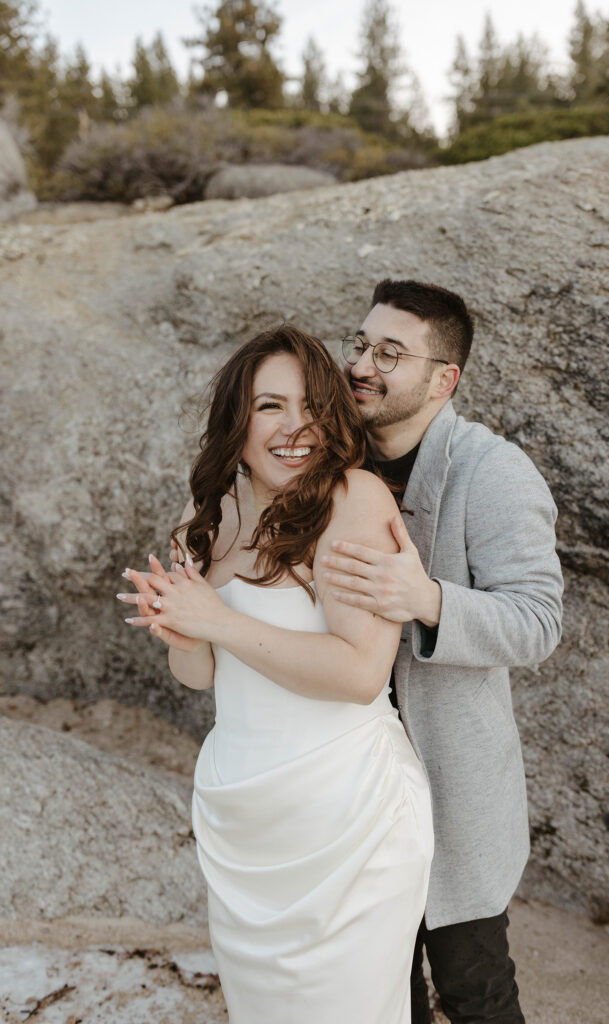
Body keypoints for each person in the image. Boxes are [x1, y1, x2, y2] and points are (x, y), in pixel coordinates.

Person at [117, 325, 433, 1024]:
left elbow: (358, 673)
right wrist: (180, 628)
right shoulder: (203, 517)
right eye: (269, 407)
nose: (296, 428)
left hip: (349, 817)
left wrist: (218, 620)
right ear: (237, 419)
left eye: (312, 405)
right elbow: (197, 676)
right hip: (246, 819)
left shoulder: (353, 500)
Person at [317, 279, 564, 1024]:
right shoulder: (325, 458)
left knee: (475, 993)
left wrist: (426, 599)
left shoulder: (492, 471)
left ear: (442, 378)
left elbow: (537, 621)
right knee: (377, 994)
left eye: (390, 353)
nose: (362, 363)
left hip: (450, 794)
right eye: (359, 344)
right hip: (349, 789)